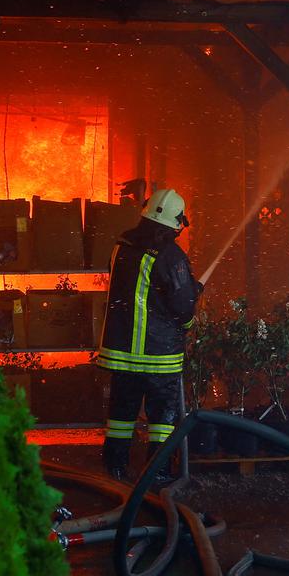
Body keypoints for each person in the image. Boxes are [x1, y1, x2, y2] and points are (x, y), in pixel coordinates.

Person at [97, 188, 200, 482]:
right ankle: (157, 472)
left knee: (121, 412)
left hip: (122, 353)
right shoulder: (170, 255)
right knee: (162, 418)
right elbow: (181, 305)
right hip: (158, 355)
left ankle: (115, 467)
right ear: (177, 222)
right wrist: (190, 318)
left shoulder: (121, 245)